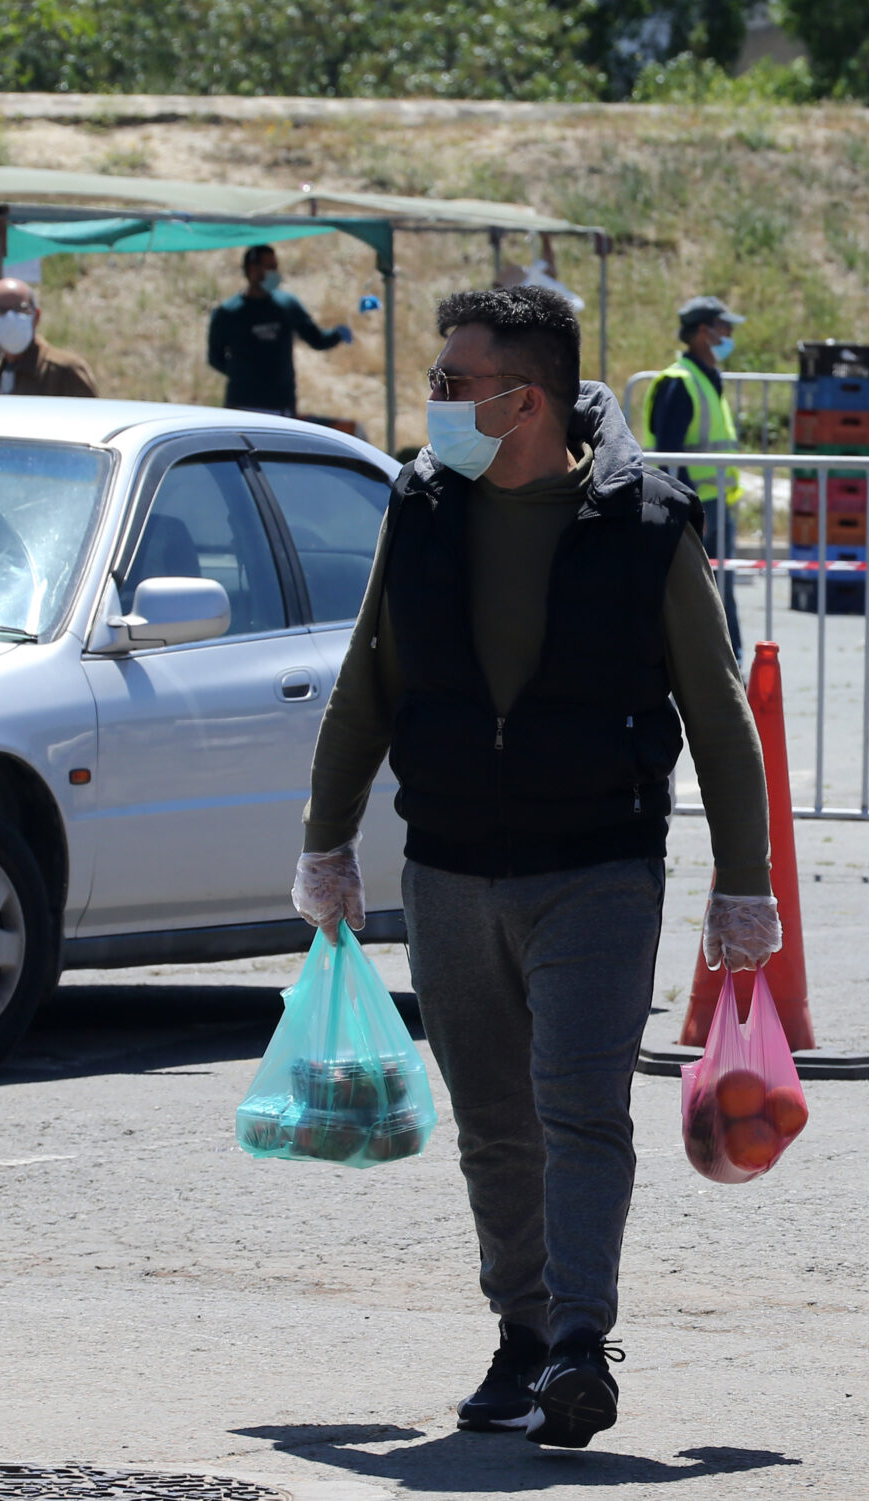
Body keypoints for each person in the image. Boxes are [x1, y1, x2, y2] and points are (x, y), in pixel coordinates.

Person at [291, 285, 778, 1450]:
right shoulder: (421, 506)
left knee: (577, 1105)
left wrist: (744, 879)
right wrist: (326, 840)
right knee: (494, 1120)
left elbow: (716, 710)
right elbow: (370, 677)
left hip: (597, 864)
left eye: (453, 384)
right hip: (450, 862)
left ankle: (576, 1345)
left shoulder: (645, 519)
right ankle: (521, 1327)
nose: (435, 403)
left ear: (527, 398)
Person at [643, 294, 746, 655]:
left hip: (717, 503)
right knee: (689, 591)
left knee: (722, 588)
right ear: (704, 332)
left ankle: (732, 664)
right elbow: (669, 457)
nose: (730, 335)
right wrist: (687, 511)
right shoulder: (679, 382)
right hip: (694, 508)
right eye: (724, 328)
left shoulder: (707, 378)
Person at [206, 245, 353, 417]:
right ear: (252, 270)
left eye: (276, 267)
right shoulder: (228, 312)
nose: (275, 273)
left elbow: (316, 340)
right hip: (241, 406)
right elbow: (215, 358)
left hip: (280, 406)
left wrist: (337, 335)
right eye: (270, 267)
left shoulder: (287, 306)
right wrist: (244, 374)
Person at [0, 278, 98, 397]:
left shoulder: (65, 372)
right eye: (2, 310)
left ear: (36, 316)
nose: (11, 317)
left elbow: (92, 416)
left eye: (20, 308)